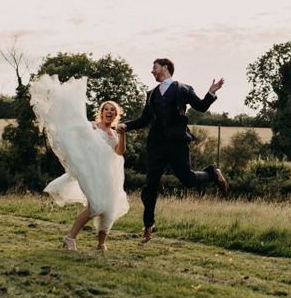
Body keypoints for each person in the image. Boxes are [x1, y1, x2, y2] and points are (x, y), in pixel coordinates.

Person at [117, 57, 227, 243]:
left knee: (188, 180)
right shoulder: (151, 94)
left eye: (155, 67)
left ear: (165, 68)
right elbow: (144, 120)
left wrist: (211, 92)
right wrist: (125, 125)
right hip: (156, 146)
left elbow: (200, 107)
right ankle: (148, 225)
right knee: (149, 186)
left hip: (177, 143)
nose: (152, 71)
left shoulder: (183, 89)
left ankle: (212, 173)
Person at [30, 75, 129, 251]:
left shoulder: (114, 134)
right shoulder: (92, 127)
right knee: (96, 206)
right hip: (91, 174)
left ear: (116, 115)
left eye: (112, 110)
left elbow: (120, 152)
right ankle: (70, 238)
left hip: (109, 176)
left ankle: (101, 244)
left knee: (109, 209)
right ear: (101, 112)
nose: (109, 111)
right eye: (106, 109)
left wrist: (122, 135)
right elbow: (74, 132)